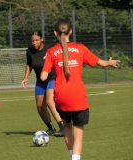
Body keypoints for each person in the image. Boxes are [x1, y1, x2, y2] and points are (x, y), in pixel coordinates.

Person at [40, 19, 120, 160]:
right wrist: (110, 62)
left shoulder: (51, 52)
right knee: (79, 132)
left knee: (67, 129)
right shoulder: (80, 48)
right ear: (71, 31)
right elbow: (100, 63)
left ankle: (72, 157)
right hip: (78, 97)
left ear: (55, 33)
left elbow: (43, 76)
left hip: (61, 97)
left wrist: (50, 68)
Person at [21, 30, 64, 137]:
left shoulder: (50, 49)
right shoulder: (29, 51)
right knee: (40, 107)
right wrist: (25, 78)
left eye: (36, 40)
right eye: (32, 41)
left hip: (52, 79)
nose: (34, 43)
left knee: (50, 102)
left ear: (42, 39)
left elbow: (59, 62)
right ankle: (51, 128)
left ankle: (63, 127)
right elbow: (29, 65)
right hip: (40, 82)